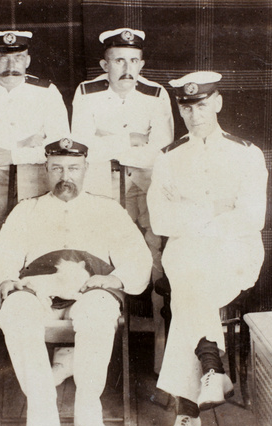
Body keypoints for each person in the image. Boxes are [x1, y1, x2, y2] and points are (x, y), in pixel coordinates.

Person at [0, 138, 152, 426]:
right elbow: (2, 256)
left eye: (73, 168)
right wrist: (5, 279)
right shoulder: (27, 210)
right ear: (46, 170)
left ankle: (89, 414)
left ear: (86, 169)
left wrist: (115, 279)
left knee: (99, 311)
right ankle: (41, 415)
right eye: (57, 168)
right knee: (15, 311)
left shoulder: (108, 209)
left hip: (90, 291)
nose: (65, 176)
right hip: (37, 292)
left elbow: (137, 257)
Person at [147, 71, 268, 426]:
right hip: (186, 254)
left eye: (201, 105)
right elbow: (160, 219)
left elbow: (251, 217)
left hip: (235, 253)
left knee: (188, 286)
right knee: (192, 279)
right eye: (186, 107)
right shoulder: (168, 157)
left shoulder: (246, 153)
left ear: (216, 103)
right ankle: (210, 372)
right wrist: (215, 208)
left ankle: (188, 411)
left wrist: (193, 214)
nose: (194, 114)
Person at [70, 26, 174, 374]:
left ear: (142, 63)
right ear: (105, 64)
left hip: (146, 187)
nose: (126, 68)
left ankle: (164, 356)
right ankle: (91, 351)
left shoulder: (156, 94)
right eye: (118, 61)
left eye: (133, 60)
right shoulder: (86, 93)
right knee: (97, 258)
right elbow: (82, 148)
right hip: (102, 189)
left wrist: (109, 139)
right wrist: (131, 139)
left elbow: (160, 152)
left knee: (157, 259)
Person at [0, 30, 70, 218]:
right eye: (3, 58)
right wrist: (24, 143)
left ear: (27, 61)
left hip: (38, 180)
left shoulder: (47, 93)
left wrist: (12, 154)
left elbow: (60, 148)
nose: (11, 65)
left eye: (18, 58)